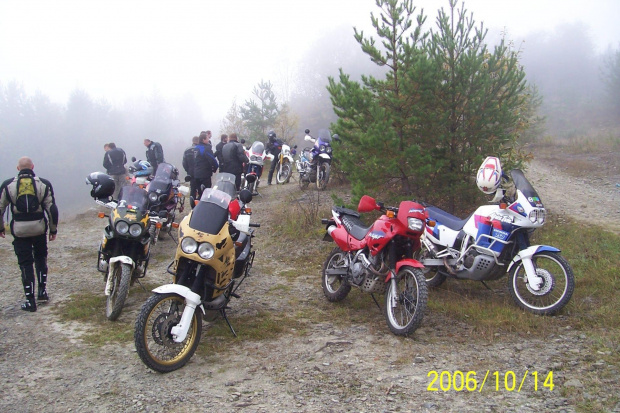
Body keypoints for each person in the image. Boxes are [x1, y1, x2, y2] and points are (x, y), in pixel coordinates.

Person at [0, 157, 59, 312]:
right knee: (40, 257)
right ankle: (42, 292)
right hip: (39, 228)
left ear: (17, 168)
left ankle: (29, 300)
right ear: (33, 167)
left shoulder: (8, 185)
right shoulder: (43, 184)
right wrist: (53, 230)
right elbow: (51, 209)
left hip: (19, 229)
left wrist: (1, 228)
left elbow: (1, 208)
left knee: (25, 263)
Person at [193, 131, 218, 198]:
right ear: (203, 140)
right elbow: (212, 159)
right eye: (207, 138)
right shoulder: (206, 148)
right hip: (205, 173)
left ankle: (197, 205)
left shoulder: (196, 148)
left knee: (200, 192)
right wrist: (215, 167)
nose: (208, 140)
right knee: (207, 192)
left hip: (197, 173)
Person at [182, 136, 200, 200]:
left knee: (193, 189)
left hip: (191, 172)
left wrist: (188, 170)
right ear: (198, 141)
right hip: (200, 172)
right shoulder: (201, 149)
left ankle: (192, 204)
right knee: (201, 188)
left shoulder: (187, 150)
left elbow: (184, 163)